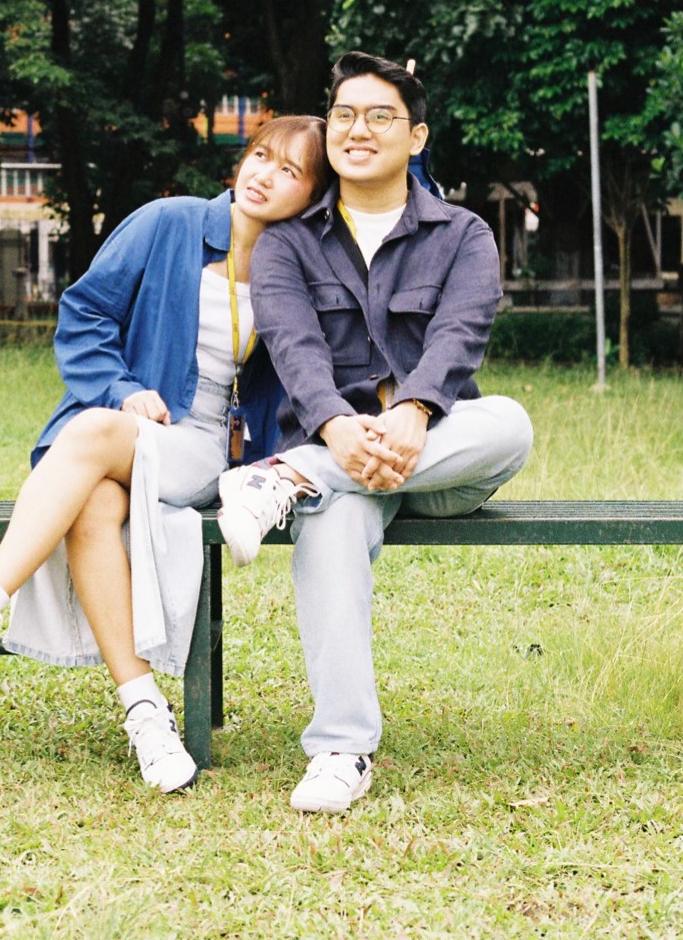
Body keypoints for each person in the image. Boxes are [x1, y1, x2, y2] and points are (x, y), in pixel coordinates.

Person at [0, 116, 331, 794]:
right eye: (259, 157)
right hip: (139, 422)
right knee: (93, 504)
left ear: (312, 193)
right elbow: (85, 315)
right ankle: (146, 716)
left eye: (290, 171)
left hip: (208, 451)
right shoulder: (169, 224)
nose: (263, 176)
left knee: (87, 435)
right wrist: (124, 389)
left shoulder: (304, 266)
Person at [216, 51, 533, 814]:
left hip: (440, 462)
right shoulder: (290, 240)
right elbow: (293, 348)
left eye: (380, 116)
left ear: (416, 137)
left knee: (510, 423)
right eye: (346, 116)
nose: (360, 129)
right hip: (341, 453)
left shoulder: (462, 235)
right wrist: (333, 426)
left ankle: (290, 479)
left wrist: (413, 413)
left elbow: (460, 337)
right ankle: (341, 751)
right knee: (333, 520)